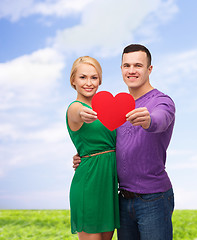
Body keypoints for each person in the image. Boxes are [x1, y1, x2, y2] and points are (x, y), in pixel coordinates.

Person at [73, 44, 175, 240]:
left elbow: (161, 119)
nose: (131, 70)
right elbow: (111, 144)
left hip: (154, 199)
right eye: (126, 65)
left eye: (138, 65)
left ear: (149, 69)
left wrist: (149, 120)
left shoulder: (162, 101)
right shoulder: (118, 106)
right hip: (121, 199)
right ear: (121, 69)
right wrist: (85, 157)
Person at [66, 56, 120, 240]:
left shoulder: (108, 109)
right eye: (82, 77)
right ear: (73, 80)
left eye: (94, 77)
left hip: (109, 186)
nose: (88, 83)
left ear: (100, 80)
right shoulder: (75, 107)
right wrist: (82, 113)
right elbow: (74, 114)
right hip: (89, 185)